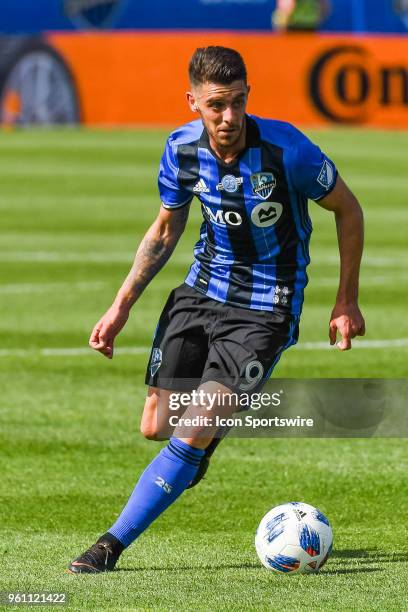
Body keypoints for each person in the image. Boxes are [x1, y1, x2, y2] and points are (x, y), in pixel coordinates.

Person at [68, 46, 365, 573]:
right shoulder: (180, 150)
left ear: (249, 95)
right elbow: (165, 230)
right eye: (215, 106)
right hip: (200, 292)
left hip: (265, 308)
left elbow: (348, 208)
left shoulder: (287, 151)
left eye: (237, 103)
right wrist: (120, 308)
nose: (228, 117)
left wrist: (346, 299)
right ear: (193, 103)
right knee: (157, 427)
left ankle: (110, 545)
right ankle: (197, 448)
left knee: (194, 426)